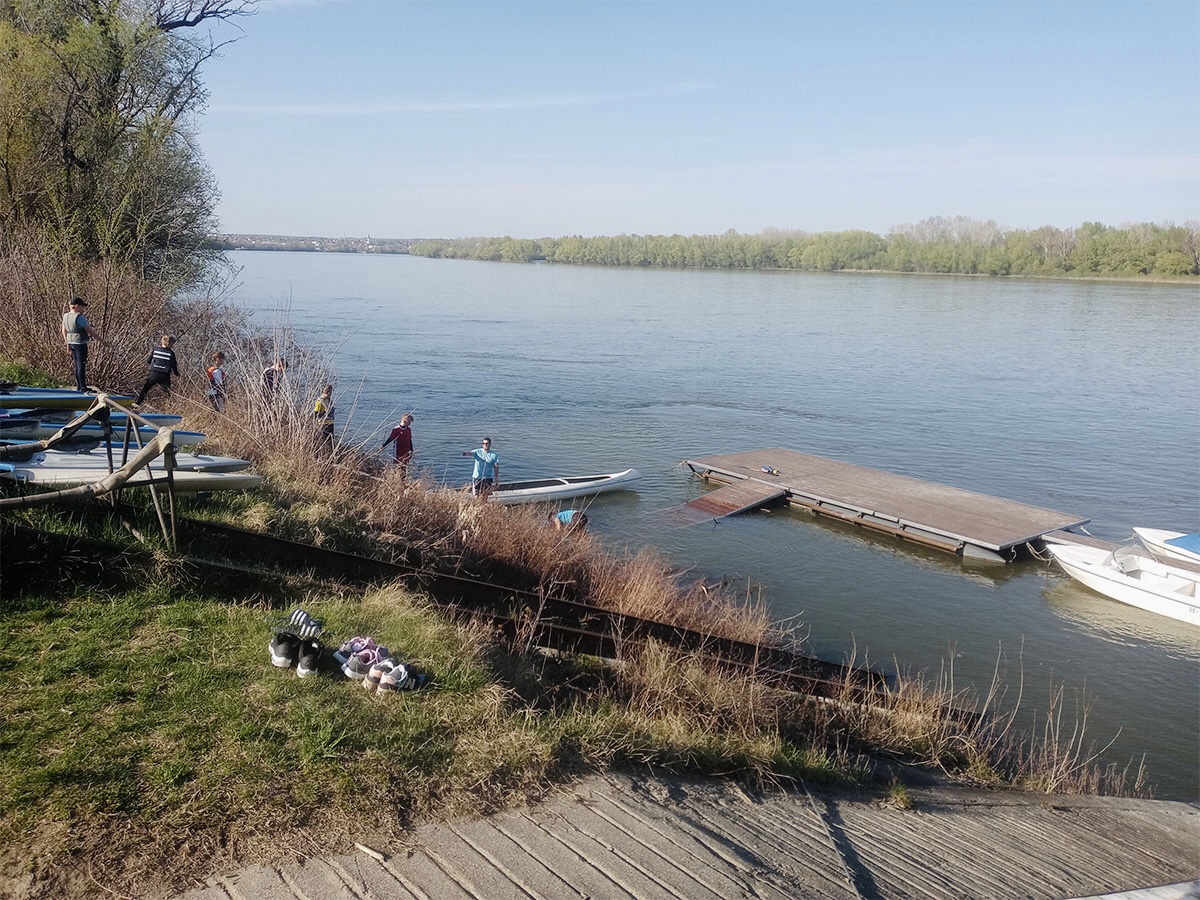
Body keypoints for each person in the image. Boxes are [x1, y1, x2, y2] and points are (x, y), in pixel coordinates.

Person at [61, 296, 99, 393]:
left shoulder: (65, 316)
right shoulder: (79, 317)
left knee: (76, 365)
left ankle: (79, 385)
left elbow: (64, 331)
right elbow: (90, 331)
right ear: (77, 306)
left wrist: (67, 343)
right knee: (81, 365)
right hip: (80, 343)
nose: (83, 309)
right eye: (82, 307)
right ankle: (83, 387)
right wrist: (102, 341)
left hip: (71, 342)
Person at [135, 335, 179, 405]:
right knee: (167, 392)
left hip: (154, 374)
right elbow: (174, 366)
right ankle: (170, 406)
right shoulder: (171, 353)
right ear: (169, 344)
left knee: (145, 389)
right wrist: (177, 374)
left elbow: (148, 361)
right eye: (173, 344)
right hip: (165, 375)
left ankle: (137, 403)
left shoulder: (155, 350)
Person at [313, 384, 335, 451]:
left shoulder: (329, 400)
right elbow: (316, 415)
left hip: (330, 423)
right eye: (330, 392)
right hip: (324, 424)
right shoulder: (319, 401)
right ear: (326, 391)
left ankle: (329, 455)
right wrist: (325, 412)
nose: (331, 393)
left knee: (330, 442)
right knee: (325, 442)